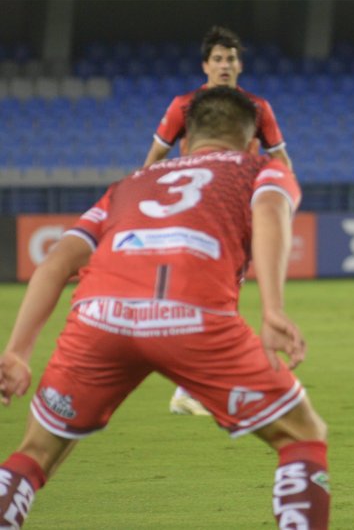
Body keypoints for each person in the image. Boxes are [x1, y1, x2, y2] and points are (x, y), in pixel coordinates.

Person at [0, 87, 328, 529]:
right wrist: (273, 308)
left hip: (99, 319)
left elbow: (57, 260)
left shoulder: (129, 184)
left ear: (185, 144)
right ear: (252, 143)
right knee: (303, 435)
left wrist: (18, 351)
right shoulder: (261, 168)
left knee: (35, 454)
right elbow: (270, 211)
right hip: (191, 317)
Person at [142, 25, 293, 416]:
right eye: (218, 59)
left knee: (218, 293)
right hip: (195, 211)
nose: (225, 65)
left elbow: (280, 162)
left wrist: (283, 201)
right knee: (212, 293)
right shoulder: (183, 106)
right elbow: (152, 162)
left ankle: (191, 384)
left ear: (239, 66)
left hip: (236, 212)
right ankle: (197, 383)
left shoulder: (257, 108)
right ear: (205, 66)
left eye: (231, 59)